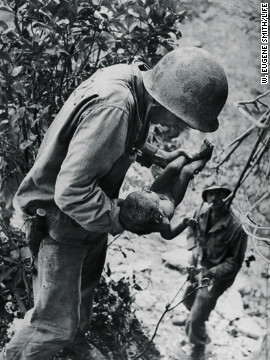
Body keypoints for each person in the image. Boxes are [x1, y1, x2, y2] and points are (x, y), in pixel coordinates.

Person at [0, 47, 228, 360]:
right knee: (53, 324)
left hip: (88, 215)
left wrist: (157, 157)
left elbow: (110, 138)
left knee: (84, 292)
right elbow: (71, 193)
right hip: (58, 219)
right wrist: (124, 218)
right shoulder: (117, 105)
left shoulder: (135, 85)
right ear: (169, 102)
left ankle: (75, 344)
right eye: (185, 120)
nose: (182, 129)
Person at [182, 183, 248, 359]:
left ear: (227, 197)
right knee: (187, 299)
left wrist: (210, 273)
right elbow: (191, 228)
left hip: (218, 276)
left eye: (219, 194)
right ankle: (195, 321)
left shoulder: (237, 227)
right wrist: (193, 247)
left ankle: (199, 345)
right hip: (200, 264)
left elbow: (234, 263)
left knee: (201, 306)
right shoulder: (202, 211)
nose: (213, 199)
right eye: (210, 194)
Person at [119, 139, 213, 239]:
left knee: (173, 167)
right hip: (173, 197)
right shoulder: (163, 223)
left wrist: (119, 202)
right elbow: (168, 236)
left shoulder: (147, 201)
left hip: (158, 190)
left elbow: (122, 203)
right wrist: (184, 223)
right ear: (158, 214)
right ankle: (204, 158)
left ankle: (196, 155)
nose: (147, 189)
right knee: (187, 171)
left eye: (145, 191)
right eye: (148, 192)